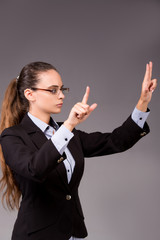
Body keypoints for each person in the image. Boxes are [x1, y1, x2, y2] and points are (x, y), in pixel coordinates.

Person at [0, 61, 157, 240]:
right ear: (30, 94)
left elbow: (116, 141)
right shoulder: (12, 136)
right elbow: (35, 169)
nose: (61, 96)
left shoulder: (67, 133)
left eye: (62, 89)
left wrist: (143, 102)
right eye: (53, 90)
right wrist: (68, 125)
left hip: (74, 233)